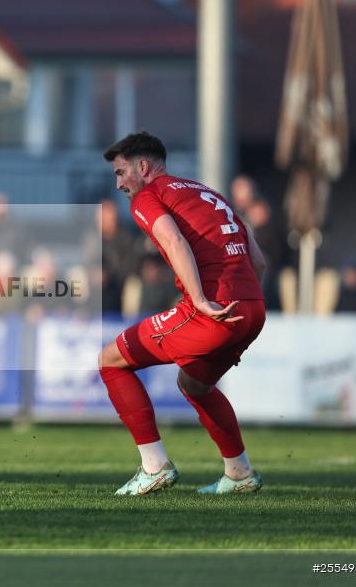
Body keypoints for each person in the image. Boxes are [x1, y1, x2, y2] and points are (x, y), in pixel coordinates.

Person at [98, 131, 267, 496]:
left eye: (121, 171)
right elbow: (258, 259)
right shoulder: (206, 192)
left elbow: (173, 240)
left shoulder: (149, 195)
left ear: (143, 167)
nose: (119, 183)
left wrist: (201, 300)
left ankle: (153, 466)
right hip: (252, 308)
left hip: (214, 310)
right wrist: (244, 296)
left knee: (110, 360)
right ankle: (239, 473)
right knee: (195, 384)